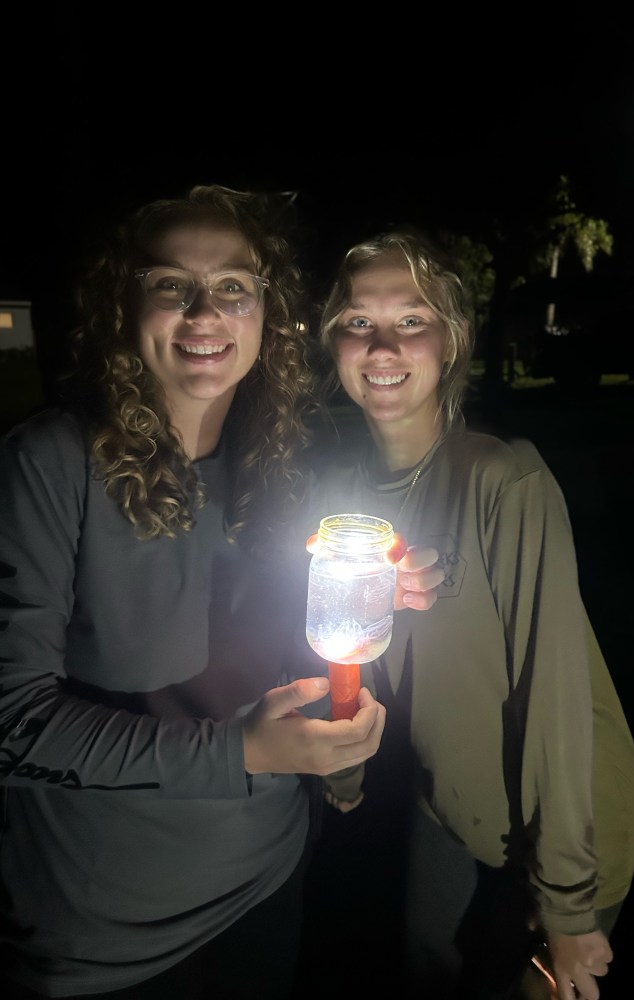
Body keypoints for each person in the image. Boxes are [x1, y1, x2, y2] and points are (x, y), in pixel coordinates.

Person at [0, 187, 443, 1000]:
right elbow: (12, 724)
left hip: (266, 887)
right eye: (171, 284)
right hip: (108, 937)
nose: (205, 311)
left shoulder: (280, 470)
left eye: (234, 286)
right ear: (122, 303)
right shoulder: (48, 463)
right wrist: (238, 754)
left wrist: (374, 613)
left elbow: (280, 671)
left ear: (267, 314)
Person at [302, 230, 634, 1000]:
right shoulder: (346, 505)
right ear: (332, 343)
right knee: (429, 973)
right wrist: (346, 771)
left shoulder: (504, 478)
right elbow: (351, 645)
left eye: (413, 319)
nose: (383, 343)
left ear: (451, 343)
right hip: (444, 808)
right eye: (358, 321)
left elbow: (555, 695)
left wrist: (564, 901)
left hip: (567, 817)